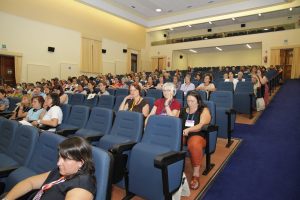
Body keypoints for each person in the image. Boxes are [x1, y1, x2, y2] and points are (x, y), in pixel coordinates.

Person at [3, 136, 96, 200]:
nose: (58, 163)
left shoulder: (82, 186)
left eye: (65, 159)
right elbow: (30, 182)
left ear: (81, 162)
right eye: (59, 157)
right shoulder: (65, 171)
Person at [180, 91, 211, 190]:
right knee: (174, 140)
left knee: (194, 144)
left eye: (192, 101)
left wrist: (188, 129)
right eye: (188, 101)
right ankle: (174, 167)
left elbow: (201, 125)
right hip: (184, 133)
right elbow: (176, 122)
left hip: (198, 135)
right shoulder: (184, 110)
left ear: (198, 101)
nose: (190, 103)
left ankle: (196, 174)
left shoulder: (204, 110)